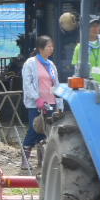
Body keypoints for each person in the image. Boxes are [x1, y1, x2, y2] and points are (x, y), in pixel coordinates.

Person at [21, 35, 60, 169]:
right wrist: (37, 98)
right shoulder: (30, 63)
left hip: (50, 102)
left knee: (47, 130)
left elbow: (56, 83)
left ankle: (42, 160)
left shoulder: (51, 64)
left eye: (52, 46)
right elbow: (27, 84)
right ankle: (25, 159)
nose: (51, 49)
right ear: (40, 48)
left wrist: (58, 99)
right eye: (48, 46)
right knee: (34, 128)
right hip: (36, 104)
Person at [71, 15, 100, 85]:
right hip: (88, 87)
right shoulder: (79, 47)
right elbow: (76, 70)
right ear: (85, 28)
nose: (95, 28)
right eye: (92, 26)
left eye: (97, 26)